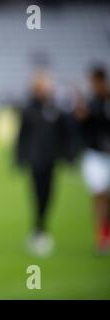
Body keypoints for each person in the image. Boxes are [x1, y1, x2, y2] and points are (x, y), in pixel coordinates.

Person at [16, 70, 70, 257]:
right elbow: (22, 135)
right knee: (38, 194)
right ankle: (39, 229)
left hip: (51, 159)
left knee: (49, 194)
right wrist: (20, 158)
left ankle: (41, 227)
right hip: (35, 159)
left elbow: (64, 133)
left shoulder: (56, 108)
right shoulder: (29, 109)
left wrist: (66, 154)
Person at [74, 66, 110, 255]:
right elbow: (82, 125)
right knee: (99, 193)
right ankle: (102, 235)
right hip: (95, 154)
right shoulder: (91, 103)